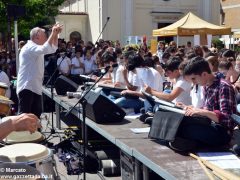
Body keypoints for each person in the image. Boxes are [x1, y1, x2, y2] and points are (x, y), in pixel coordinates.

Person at [170, 56, 236, 152]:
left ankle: (193, 144)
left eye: (194, 79)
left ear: (204, 74)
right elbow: (207, 109)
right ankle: (193, 143)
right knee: (179, 122)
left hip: (223, 133)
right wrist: (189, 108)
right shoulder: (206, 86)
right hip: (209, 125)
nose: (193, 82)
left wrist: (201, 111)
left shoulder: (223, 86)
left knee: (186, 129)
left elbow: (227, 120)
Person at [17, 24, 62, 118]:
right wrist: (53, 33)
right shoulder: (30, 47)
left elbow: (53, 48)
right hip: (27, 87)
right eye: (44, 34)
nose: (46, 36)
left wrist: (56, 34)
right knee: (24, 119)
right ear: (37, 35)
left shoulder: (37, 48)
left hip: (35, 88)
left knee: (35, 117)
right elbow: (46, 48)